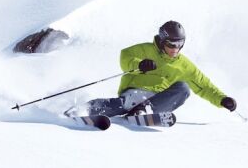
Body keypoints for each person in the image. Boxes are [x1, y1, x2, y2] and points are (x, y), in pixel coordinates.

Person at [82, 21, 237, 117]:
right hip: (136, 92)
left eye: (180, 44)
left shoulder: (184, 65)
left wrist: (222, 99)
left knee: (183, 89)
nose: (175, 49)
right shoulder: (146, 49)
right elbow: (126, 56)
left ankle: (144, 111)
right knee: (122, 104)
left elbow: (203, 85)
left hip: (158, 100)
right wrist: (139, 64)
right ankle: (84, 110)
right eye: (171, 44)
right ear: (162, 41)